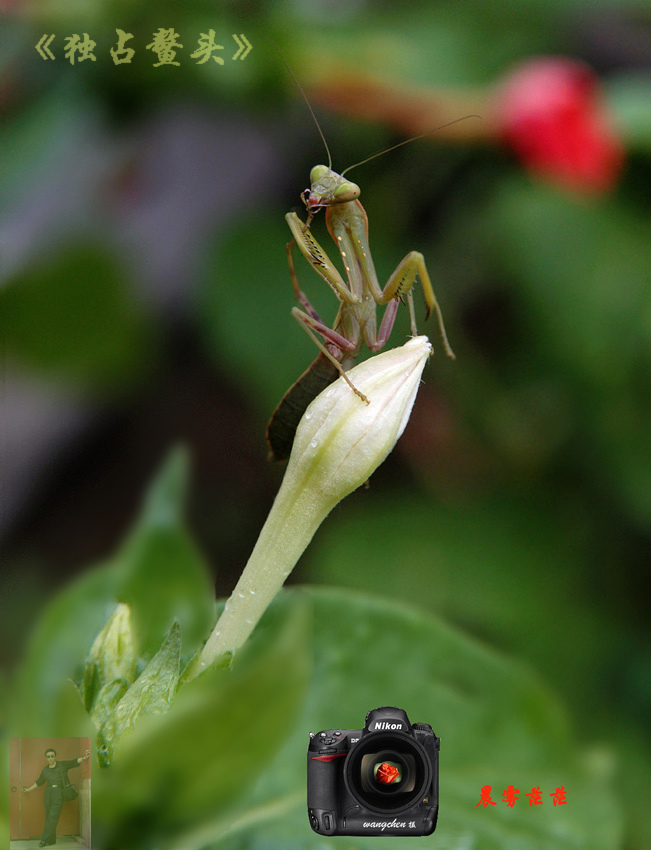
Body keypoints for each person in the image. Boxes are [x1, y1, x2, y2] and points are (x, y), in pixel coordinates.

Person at [22, 747, 90, 847]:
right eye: (48, 757)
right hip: (48, 793)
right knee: (48, 816)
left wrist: (85, 758)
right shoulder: (45, 770)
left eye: (52, 756)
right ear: (46, 758)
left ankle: (44, 840)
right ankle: (51, 840)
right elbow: (39, 782)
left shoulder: (62, 765)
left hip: (58, 793)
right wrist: (28, 789)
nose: (50, 758)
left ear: (55, 757)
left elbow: (73, 762)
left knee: (53, 816)